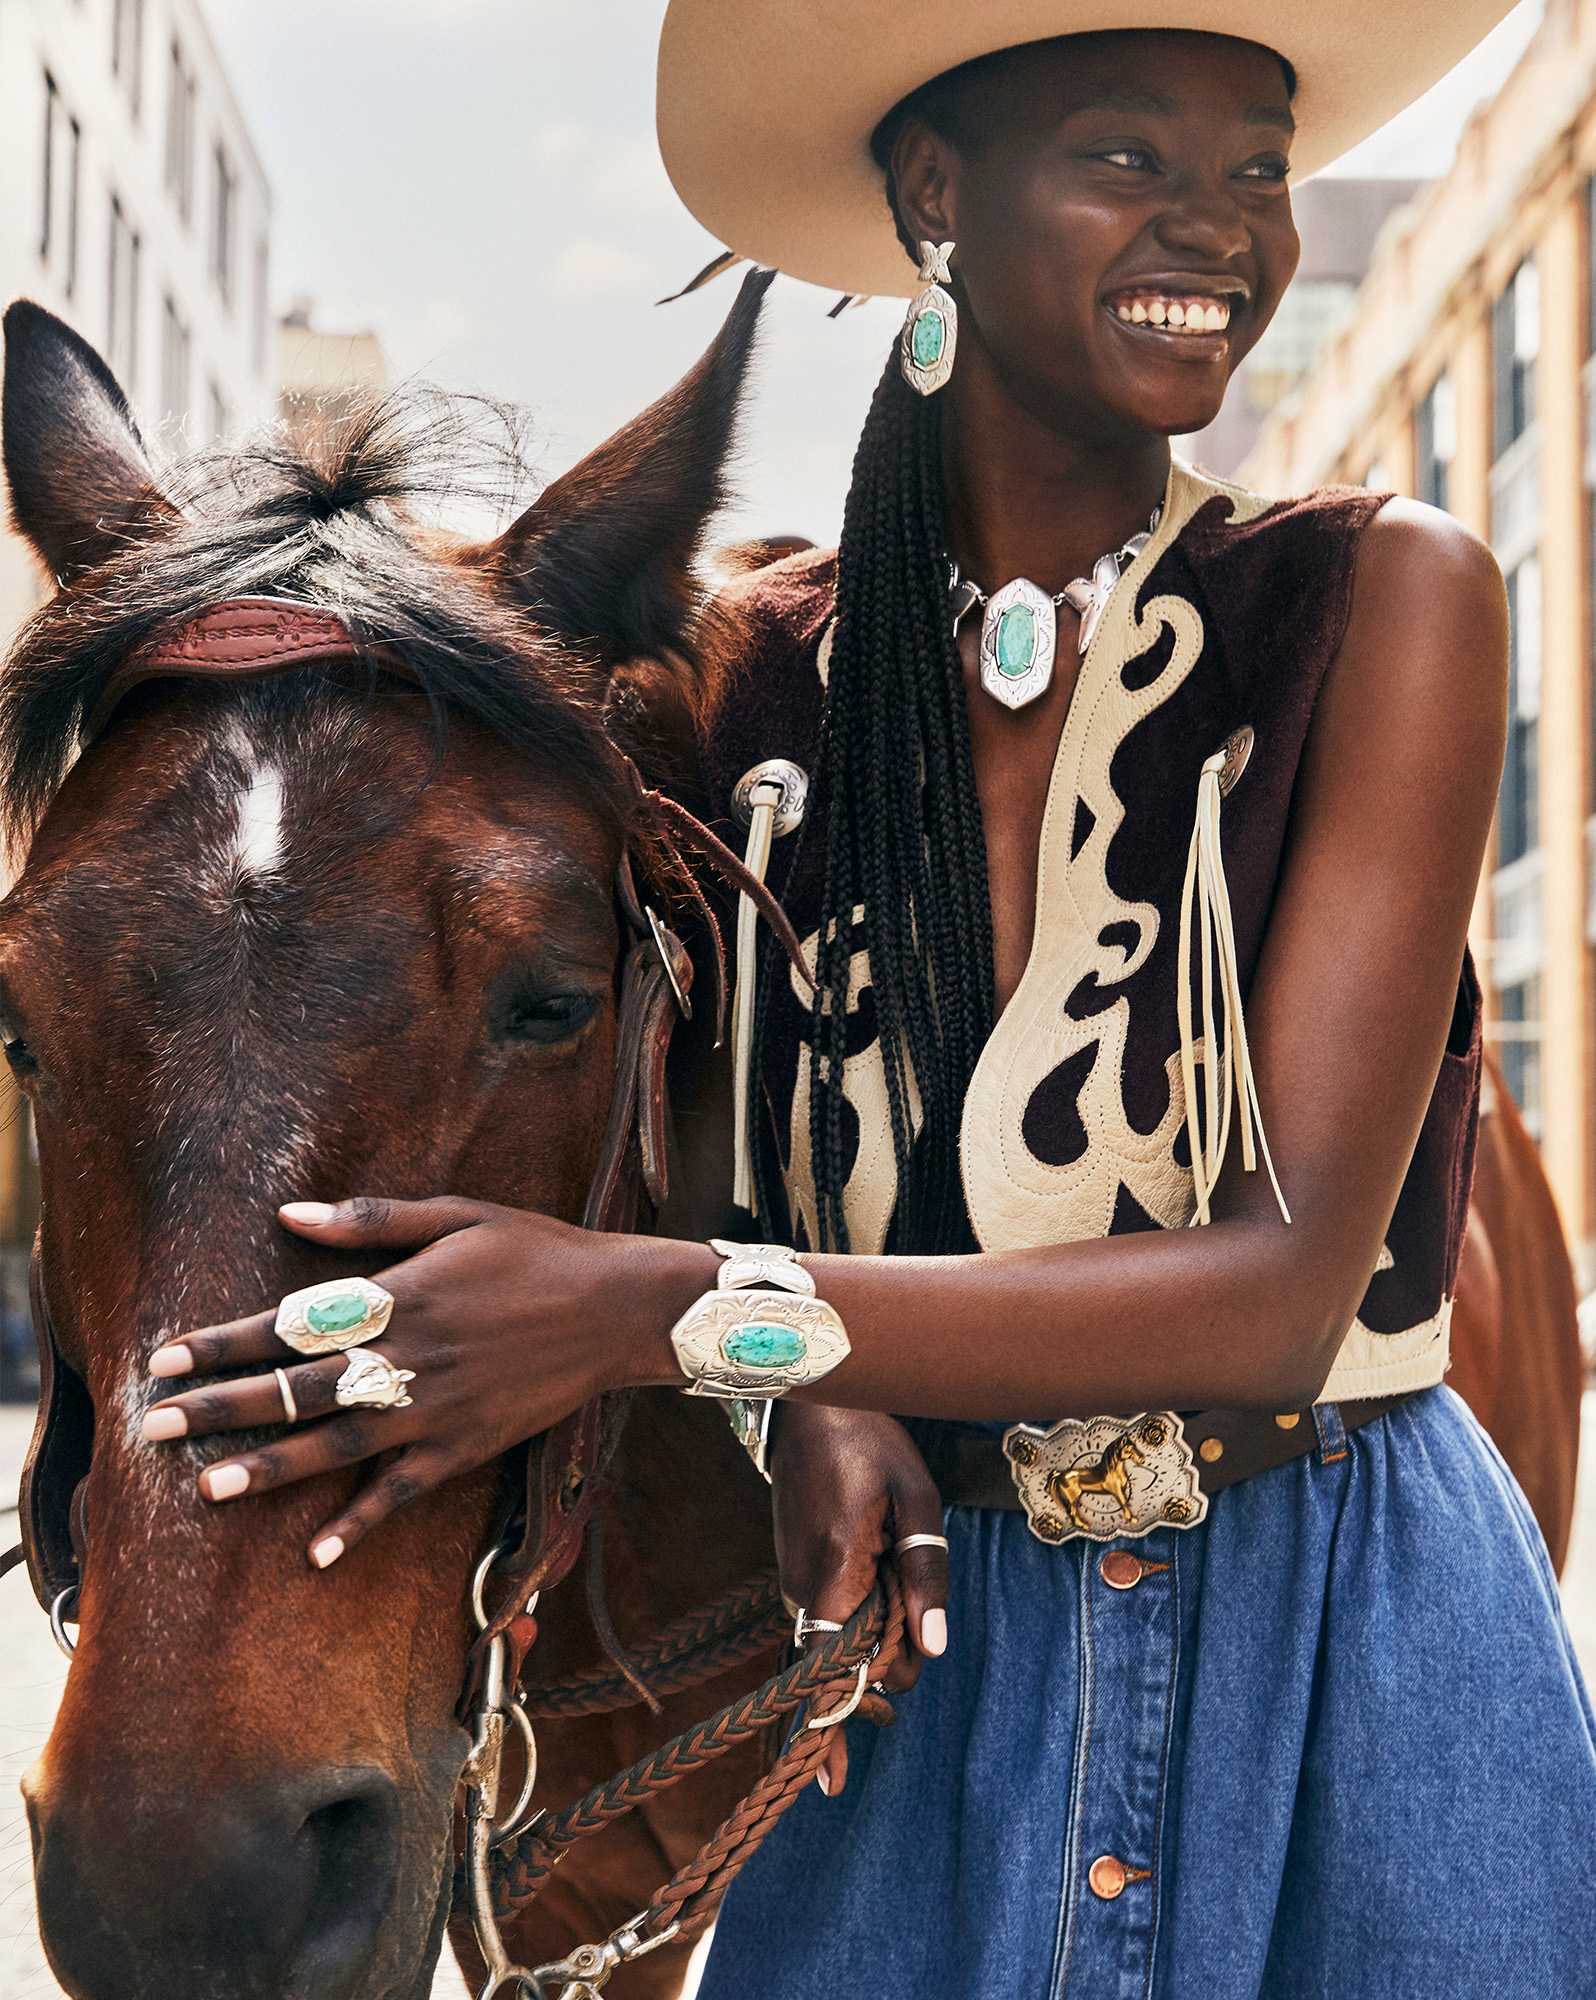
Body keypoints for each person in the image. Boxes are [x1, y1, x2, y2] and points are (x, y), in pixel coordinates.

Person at [140, 9, 1596, 1992]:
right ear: (935, 195)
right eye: (1128, 155)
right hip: (919, 1689)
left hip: (1348, 1648)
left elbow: (1277, 1288)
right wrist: (796, 1386)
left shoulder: (1386, 597)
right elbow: (700, 1143)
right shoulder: (740, 683)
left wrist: (651, 1318)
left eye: (1255, 167)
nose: (1221, 224)